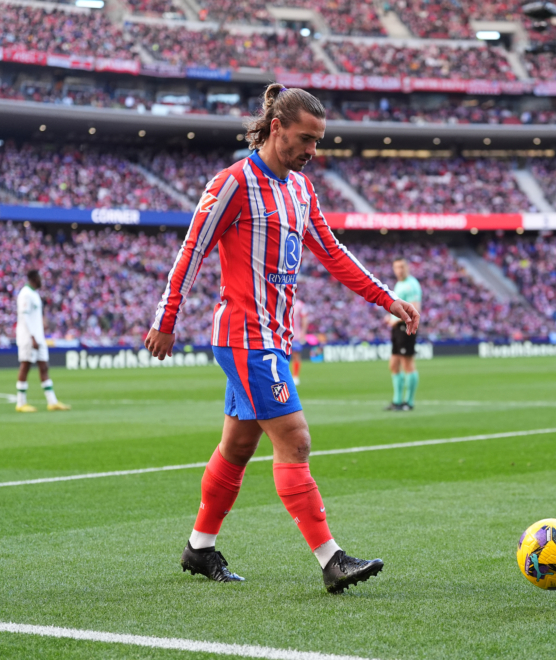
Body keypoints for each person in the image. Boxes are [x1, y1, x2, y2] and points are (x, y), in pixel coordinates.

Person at [144, 83, 420, 594]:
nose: (312, 151)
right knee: (295, 440)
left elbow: (333, 253)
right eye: (305, 139)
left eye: (318, 141)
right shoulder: (233, 183)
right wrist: (167, 318)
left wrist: (387, 299)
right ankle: (331, 559)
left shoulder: (299, 189)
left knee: (238, 445)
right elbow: (193, 249)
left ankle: (199, 549)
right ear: (276, 128)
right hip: (244, 337)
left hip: (273, 337)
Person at [15, 270, 70, 413]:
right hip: (28, 337)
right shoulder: (25, 294)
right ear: (34, 278)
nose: (41, 281)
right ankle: (20, 403)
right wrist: (32, 336)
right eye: (39, 278)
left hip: (38, 336)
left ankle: (52, 402)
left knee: (44, 366)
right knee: (25, 366)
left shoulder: (34, 294)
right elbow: (25, 316)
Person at [385, 257, 422, 411]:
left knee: (408, 364)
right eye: (396, 267)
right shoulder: (399, 284)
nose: (399, 270)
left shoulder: (411, 284)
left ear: (407, 268)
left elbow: (414, 307)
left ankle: (409, 402)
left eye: (402, 267)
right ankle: (397, 401)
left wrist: (395, 320)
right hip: (396, 328)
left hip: (405, 327)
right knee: (393, 364)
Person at [291, 298, 309, 386]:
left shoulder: (299, 304)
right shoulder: (280, 299)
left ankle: (295, 376)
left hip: (295, 335)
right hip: (281, 335)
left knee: (296, 355)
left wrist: (303, 333)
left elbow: (304, 319)